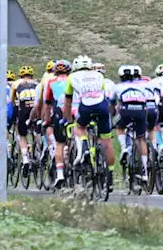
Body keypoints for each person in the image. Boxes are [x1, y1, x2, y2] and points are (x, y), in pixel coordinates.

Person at [63, 56, 113, 189]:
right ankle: (110, 175)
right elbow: (102, 93)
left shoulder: (71, 77)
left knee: (78, 127)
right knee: (107, 142)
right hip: (102, 107)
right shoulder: (99, 75)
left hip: (85, 106)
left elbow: (68, 101)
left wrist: (68, 119)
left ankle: (84, 148)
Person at [114, 65, 152, 187]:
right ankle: (145, 171)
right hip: (141, 109)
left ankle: (125, 148)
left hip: (126, 109)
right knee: (141, 139)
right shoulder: (143, 84)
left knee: (119, 127)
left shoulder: (118, 86)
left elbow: (112, 103)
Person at [11, 66, 39, 168]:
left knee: (22, 134)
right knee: (38, 131)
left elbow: (12, 101)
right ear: (32, 76)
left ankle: (25, 159)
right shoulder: (37, 83)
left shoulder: (16, 83)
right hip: (36, 108)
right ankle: (39, 150)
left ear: (21, 76)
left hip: (24, 108)